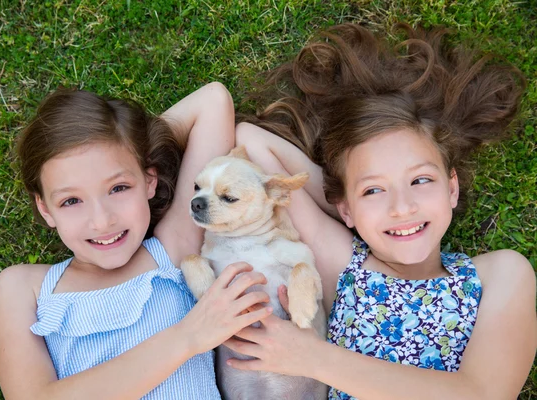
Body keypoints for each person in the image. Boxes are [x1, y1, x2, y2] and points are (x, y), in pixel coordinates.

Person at [230, 23, 537, 399]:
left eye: (421, 181)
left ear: (451, 187)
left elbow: (483, 394)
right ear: (345, 210)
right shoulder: (343, 266)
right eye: (376, 190)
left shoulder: (501, 273)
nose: (401, 207)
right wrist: (352, 204)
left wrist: (314, 359)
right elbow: (252, 142)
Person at [0, 82, 273, 399]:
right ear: (45, 208)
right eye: (71, 201)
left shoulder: (172, 249)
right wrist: (188, 337)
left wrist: (125, 143)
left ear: (149, 181)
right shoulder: (22, 287)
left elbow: (213, 102)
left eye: (118, 188)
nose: (101, 220)